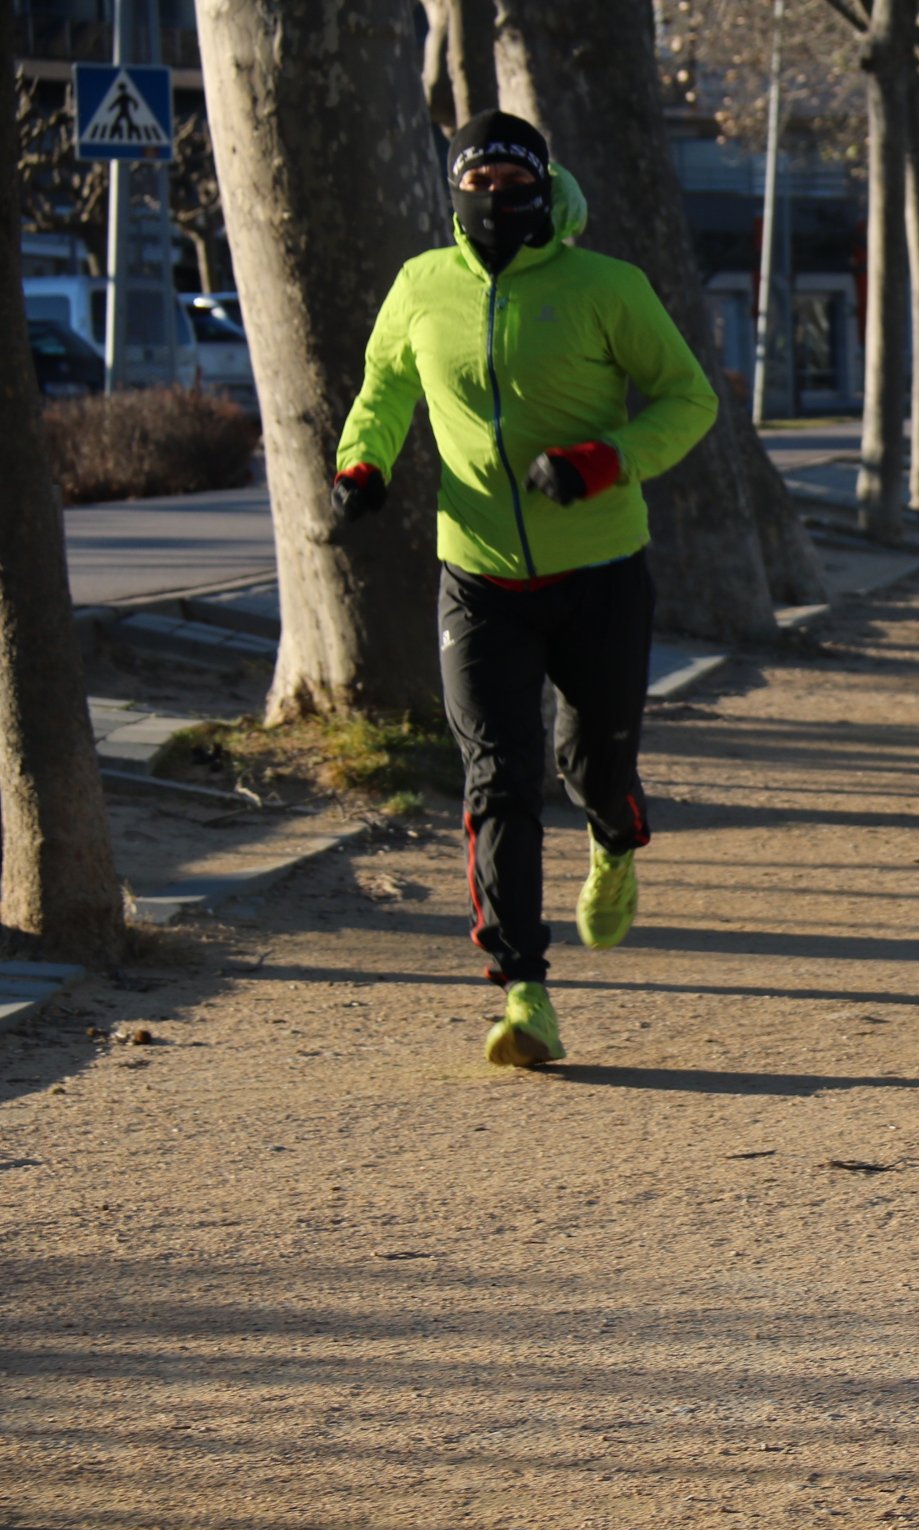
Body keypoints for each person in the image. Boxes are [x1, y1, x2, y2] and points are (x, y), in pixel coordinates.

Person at [332, 112, 718, 1067]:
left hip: (600, 571)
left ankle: (615, 840)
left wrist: (609, 458)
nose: (497, 201)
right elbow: (386, 384)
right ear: (455, 191)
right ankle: (522, 992)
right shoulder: (424, 285)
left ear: (547, 190)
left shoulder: (607, 288)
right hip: (479, 575)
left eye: (516, 184)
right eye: (480, 184)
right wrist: (362, 466)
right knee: (497, 777)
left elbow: (689, 398)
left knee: (593, 766)